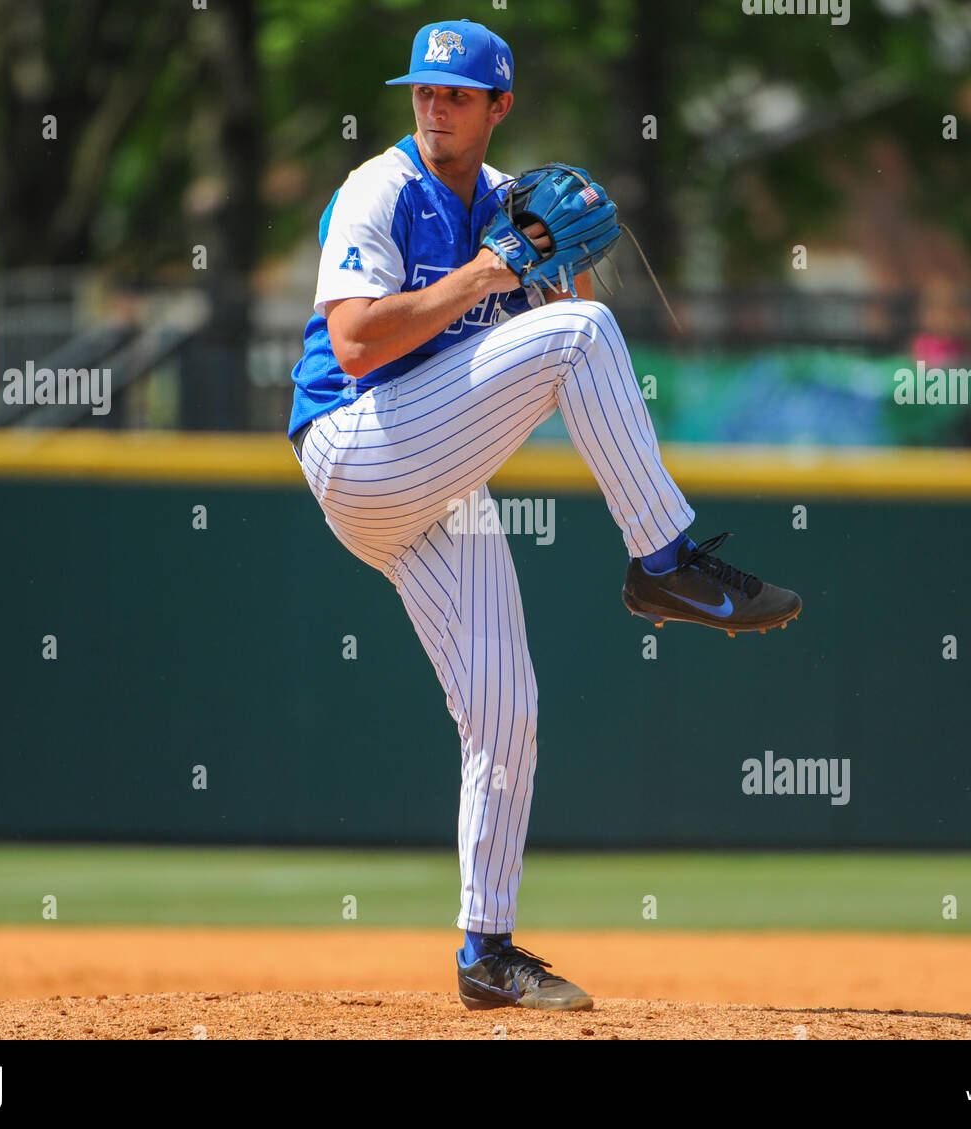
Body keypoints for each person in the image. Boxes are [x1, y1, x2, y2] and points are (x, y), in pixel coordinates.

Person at [287, 18, 802, 1012]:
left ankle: (486, 951)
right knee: (583, 336)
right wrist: (495, 273)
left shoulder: (506, 204)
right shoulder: (379, 189)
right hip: (356, 446)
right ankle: (663, 560)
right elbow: (351, 342)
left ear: (497, 108)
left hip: (433, 475)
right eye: (422, 91)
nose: (433, 107)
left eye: (455, 95)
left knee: (506, 709)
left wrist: (553, 267)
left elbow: (542, 335)